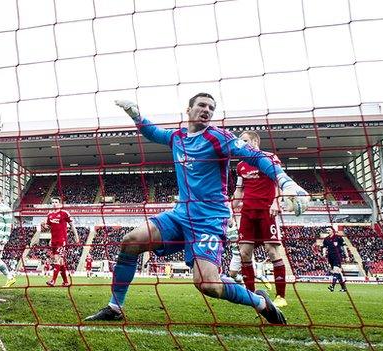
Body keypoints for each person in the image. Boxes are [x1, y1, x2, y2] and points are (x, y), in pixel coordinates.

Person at [84, 94, 309, 324]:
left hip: (209, 220)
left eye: (211, 108)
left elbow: (256, 156)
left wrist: (285, 181)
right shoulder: (177, 137)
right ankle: (115, 307)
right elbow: (153, 132)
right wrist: (135, 114)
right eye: (202, 105)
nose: (207, 110)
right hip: (180, 215)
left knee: (207, 284)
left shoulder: (219, 137)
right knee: (131, 240)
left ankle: (261, 302)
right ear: (188, 109)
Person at [232, 131, 288, 307]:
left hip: (266, 211)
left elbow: (278, 181)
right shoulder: (241, 165)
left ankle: (280, 296)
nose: (243, 145)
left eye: (246, 141)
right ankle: (250, 295)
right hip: (248, 212)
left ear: (255, 141)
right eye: (241, 142)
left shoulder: (269, 158)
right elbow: (239, 190)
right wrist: (234, 205)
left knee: (272, 251)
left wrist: (276, 203)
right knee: (244, 253)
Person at [37, 197, 80, 287]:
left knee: (58, 259)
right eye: (53, 202)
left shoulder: (64, 213)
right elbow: (49, 228)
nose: (54, 204)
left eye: (56, 202)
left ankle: (53, 280)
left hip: (62, 240)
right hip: (54, 241)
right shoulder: (50, 215)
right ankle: (66, 282)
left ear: (60, 204)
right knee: (61, 262)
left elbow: (72, 225)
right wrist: (43, 226)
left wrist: (76, 237)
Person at [321, 227, 348, 292]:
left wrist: (347, 255)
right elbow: (324, 247)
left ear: (333, 230)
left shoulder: (338, 237)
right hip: (330, 257)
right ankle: (343, 288)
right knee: (338, 272)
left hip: (337, 256)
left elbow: (344, 246)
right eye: (327, 230)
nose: (328, 231)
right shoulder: (326, 239)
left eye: (329, 230)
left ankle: (332, 286)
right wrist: (324, 254)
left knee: (336, 271)